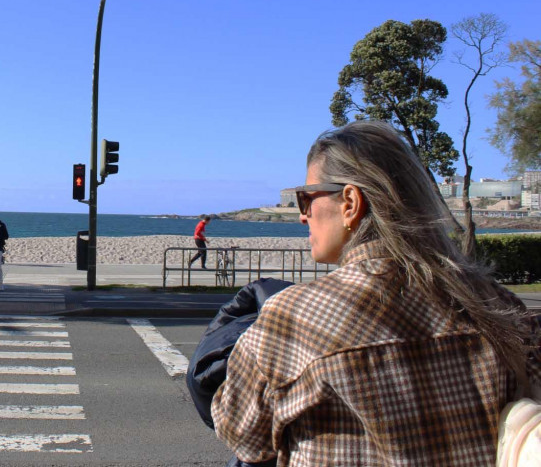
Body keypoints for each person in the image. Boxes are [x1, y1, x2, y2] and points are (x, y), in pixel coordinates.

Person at [210, 120, 541, 466]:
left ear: (350, 202)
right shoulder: (500, 306)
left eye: (306, 199)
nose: (302, 217)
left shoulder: (295, 317)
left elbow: (243, 437)